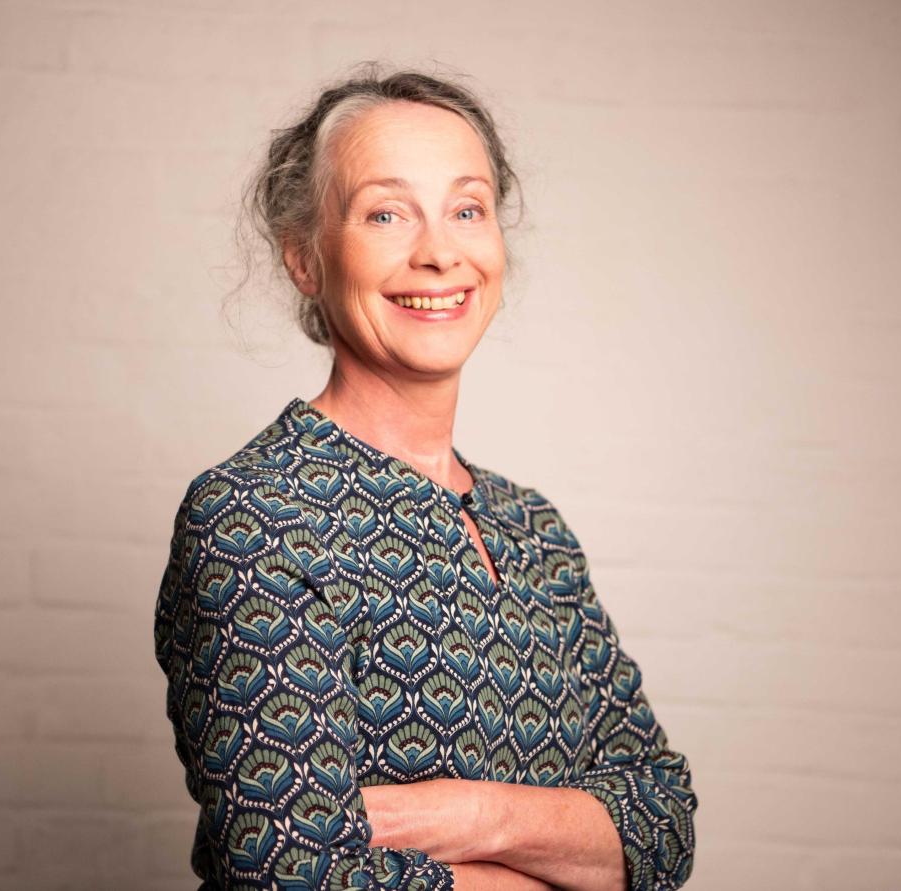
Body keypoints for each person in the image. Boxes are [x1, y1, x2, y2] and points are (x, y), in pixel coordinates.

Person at [153, 64, 698, 890]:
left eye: (467, 209)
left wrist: (466, 814)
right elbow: (293, 874)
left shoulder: (534, 528)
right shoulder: (255, 515)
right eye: (386, 213)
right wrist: (571, 856)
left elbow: (663, 826)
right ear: (305, 258)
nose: (440, 253)